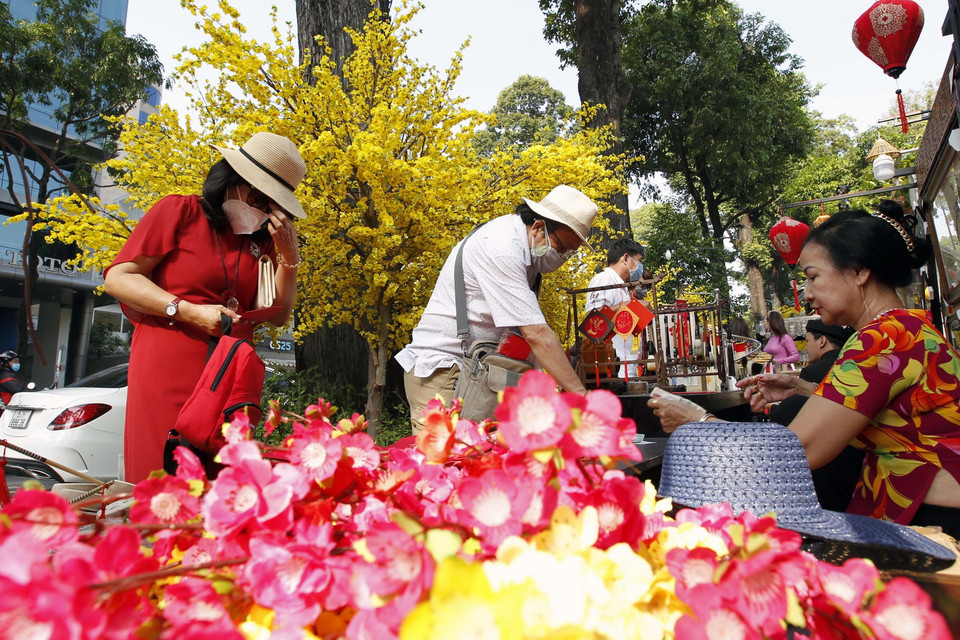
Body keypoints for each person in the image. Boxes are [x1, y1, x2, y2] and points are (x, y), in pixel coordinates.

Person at [648, 203, 960, 537]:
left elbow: (797, 453)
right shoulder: (903, 327)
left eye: (813, 277)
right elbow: (891, 412)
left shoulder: (883, 336)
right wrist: (802, 388)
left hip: (933, 519)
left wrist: (697, 421)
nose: (808, 294)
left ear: (859, 272)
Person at [104, 132, 307, 482]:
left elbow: (276, 314)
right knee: (163, 472)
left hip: (228, 373)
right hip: (169, 360)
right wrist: (186, 310)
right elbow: (120, 278)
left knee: (219, 480)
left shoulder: (260, 244)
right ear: (230, 181)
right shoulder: (181, 211)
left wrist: (288, 259)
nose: (260, 210)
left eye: (272, 206)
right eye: (257, 196)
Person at [396, 184, 598, 431]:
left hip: (477, 373)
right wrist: (581, 395)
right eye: (562, 248)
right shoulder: (502, 246)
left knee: (483, 463)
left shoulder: (527, 252)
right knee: (449, 465)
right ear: (538, 227)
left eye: (569, 252)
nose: (562, 257)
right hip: (444, 372)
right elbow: (535, 333)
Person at [769, 318, 862, 511]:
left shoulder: (814, 371)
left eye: (808, 340)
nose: (806, 346)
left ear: (822, 341)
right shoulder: (850, 364)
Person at [584, 237, 645, 379]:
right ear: (625, 258)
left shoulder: (620, 286)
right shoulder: (603, 280)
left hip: (626, 367)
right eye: (639, 260)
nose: (640, 267)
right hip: (613, 368)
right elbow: (592, 317)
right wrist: (629, 306)